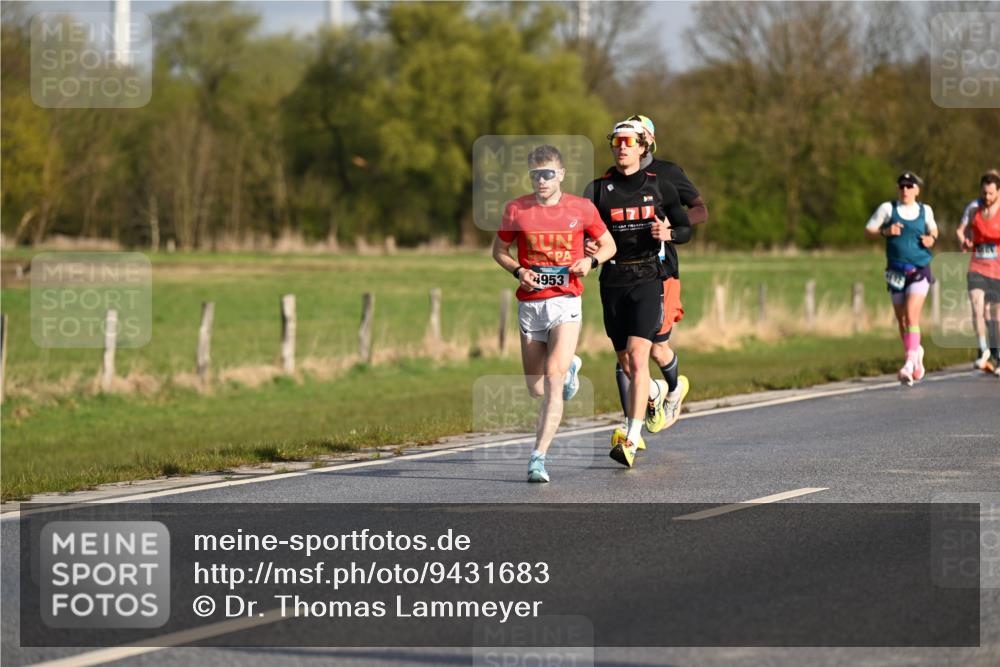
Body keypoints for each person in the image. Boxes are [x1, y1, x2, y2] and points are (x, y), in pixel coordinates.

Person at [492, 145, 616, 482]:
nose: (541, 181)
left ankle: (538, 458)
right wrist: (518, 271)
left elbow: (609, 245)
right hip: (531, 304)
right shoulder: (516, 209)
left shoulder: (582, 208)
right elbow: (499, 251)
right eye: (535, 175)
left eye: (547, 174)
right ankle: (572, 365)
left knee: (552, 378)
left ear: (560, 174)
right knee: (536, 388)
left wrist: (591, 261)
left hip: (565, 301)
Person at [588, 114, 707, 435]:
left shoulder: (667, 174)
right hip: (618, 275)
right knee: (629, 355)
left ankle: (671, 389)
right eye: (618, 140)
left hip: (661, 270)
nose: (623, 146)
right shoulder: (608, 182)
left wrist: (670, 229)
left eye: (632, 139)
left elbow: (699, 211)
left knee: (652, 348)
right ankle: (638, 419)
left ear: (647, 141)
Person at [864, 172, 939, 386]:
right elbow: (868, 230)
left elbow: (934, 230)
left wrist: (931, 239)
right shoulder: (888, 209)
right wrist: (886, 231)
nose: (905, 190)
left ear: (917, 189)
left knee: (911, 314)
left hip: (919, 269)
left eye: (909, 186)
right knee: (902, 320)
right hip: (895, 272)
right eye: (901, 186)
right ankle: (916, 354)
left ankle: (908, 363)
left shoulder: (925, 210)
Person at [955, 169, 1000, 370]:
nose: (987, 197)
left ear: (998, 192)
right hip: (977, 266)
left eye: (991, 193)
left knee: (994, 315)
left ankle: (997, 352)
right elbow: (963, 231)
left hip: (997, 270)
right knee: (976, 307)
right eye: (984, 193)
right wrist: (965, 242)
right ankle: (983, 350)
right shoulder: (974, 209)